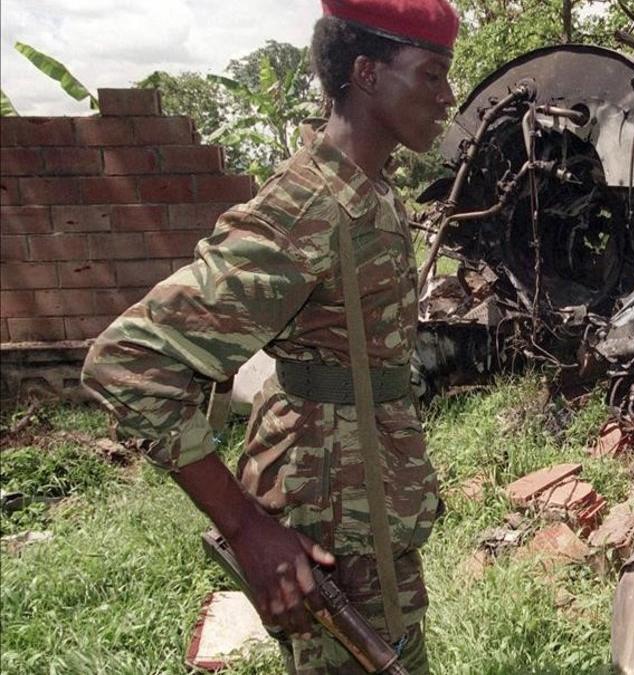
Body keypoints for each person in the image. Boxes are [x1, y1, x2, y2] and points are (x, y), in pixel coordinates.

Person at [81, 1, 458, 672]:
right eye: (431, 75)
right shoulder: (307, 207)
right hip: (332, 524)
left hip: (374, 508)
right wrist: (247, 528)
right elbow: (126, 359)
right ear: (367, 74)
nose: (447, 96)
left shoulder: (369, 193)